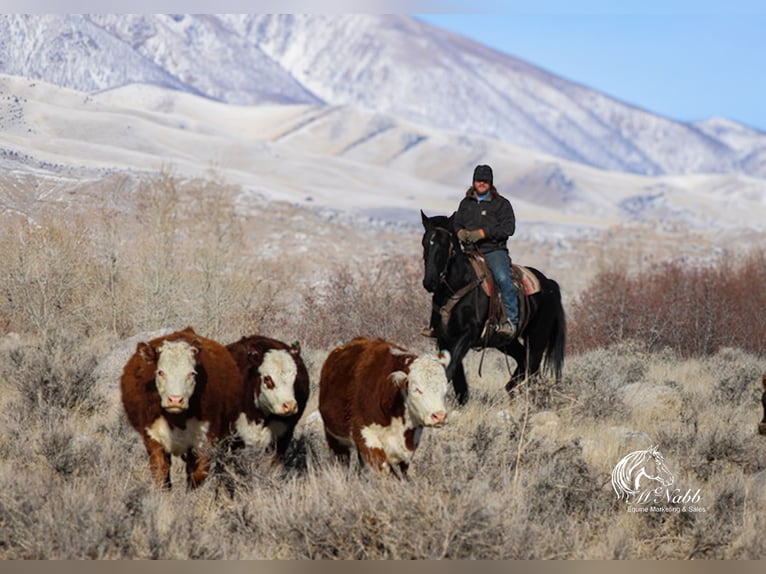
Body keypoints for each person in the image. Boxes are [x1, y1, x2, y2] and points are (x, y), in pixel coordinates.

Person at [453, 164, 519, 338]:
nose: (481, 183)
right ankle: (443, 322)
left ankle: (511, 321)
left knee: (503, 278)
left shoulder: (501, 204)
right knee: (447, 277)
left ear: (490, 183)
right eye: (478, 180)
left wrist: (483, 233)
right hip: (468, 251)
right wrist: (459, 231)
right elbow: (457, 222)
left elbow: (508, 228)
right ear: (473, 182)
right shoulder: (465, 203)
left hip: (493, 250)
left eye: (485, 180)